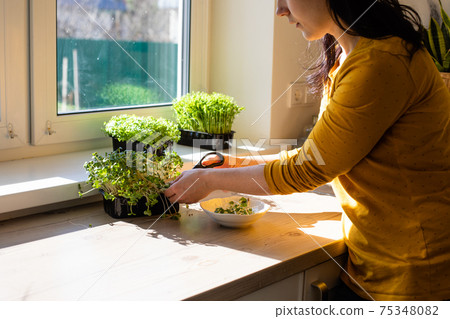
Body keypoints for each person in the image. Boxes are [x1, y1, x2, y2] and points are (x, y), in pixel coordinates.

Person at [165, 0, 450, 301]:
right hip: (375, 262)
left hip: (413, 273)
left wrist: (210, 182)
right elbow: (316, 154)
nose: (280, 10)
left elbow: (309, 168)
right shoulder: (350, 54)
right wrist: (233, 164)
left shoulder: (381, 62)